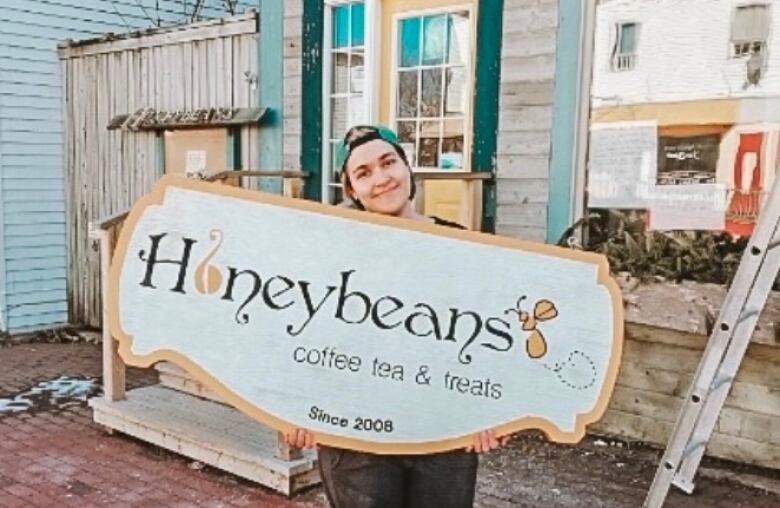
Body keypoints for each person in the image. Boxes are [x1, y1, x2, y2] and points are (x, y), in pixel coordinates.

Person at [285, 125, 508, 508]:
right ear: (352, 191)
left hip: (444, 430)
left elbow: (489, 336)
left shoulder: (461, 245)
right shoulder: (328, 252)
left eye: (389, 163)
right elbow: (303, 333)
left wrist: (496, 411)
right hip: (353, 432)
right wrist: (293, 406)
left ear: (408, 169)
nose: (381, 178)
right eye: (364, 173)